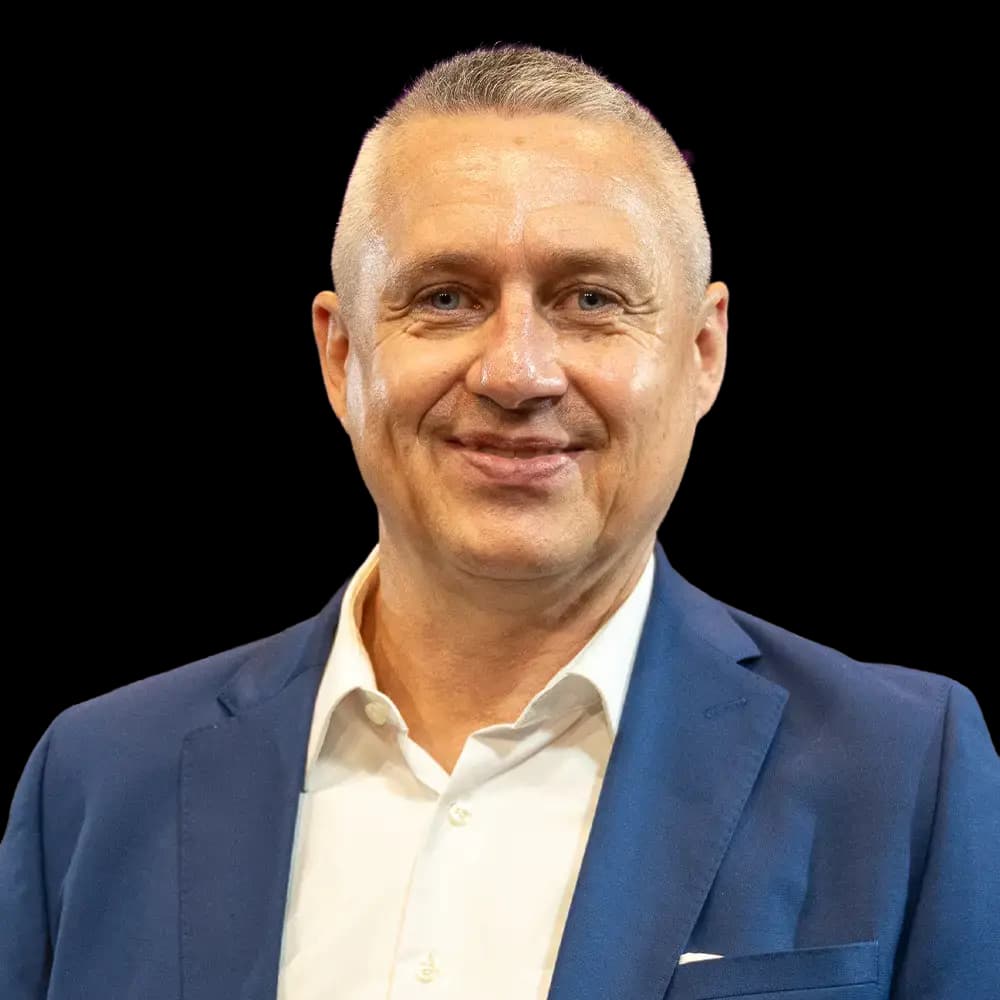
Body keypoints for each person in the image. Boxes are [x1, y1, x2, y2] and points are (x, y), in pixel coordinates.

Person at [2, 45, 997, 1000]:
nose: (518, 372)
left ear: (702, 352)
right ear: (341, 356)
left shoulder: (909, 770)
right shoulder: (93, 783)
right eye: (445, 297)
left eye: (591, 299)